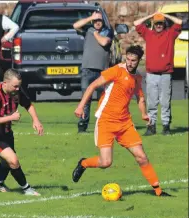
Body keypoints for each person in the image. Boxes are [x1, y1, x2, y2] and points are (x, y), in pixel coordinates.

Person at [72, 45, 171, 197]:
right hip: (106, 121)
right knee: (106, 162)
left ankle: (158, 190)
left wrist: (144, 114)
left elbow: (140, 97)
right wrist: (80, 107)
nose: (130, 63)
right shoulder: (116, 70)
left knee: (142, 156)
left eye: (134, 60)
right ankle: (84, 163)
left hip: (124, 124)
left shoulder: (137, 77)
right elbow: (92, 86)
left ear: (139, 61)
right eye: (128, 59)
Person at [0, 69, 44, 196]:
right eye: (15, 86)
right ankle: (26, 188)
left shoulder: (16, 91)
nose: (18, 89)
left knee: (7, 161)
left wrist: (36, 120)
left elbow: (28, 104)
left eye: (19, 86)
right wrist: (11, 117)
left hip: (6, 131)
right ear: (5, 83)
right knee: (13, 160)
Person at [134, 13, 182, 135]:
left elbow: (179, 22)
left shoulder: (170, 34)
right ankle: (151, 126)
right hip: (151, 74)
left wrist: (165, 15)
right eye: (157, 23)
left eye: (161, 23)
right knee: (152, 102)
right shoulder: (149, 34)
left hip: (166, 74)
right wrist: (152, 15)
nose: (159, 25)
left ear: (164, 23)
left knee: (165, 102)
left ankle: (166, 127)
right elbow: (136, 23)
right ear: (153, 24)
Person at [73, 10, 113, 133]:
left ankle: (103, 124)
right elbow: (75, 25)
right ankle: (82, 126)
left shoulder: (108, 31)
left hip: (102, 71)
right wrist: (90, 17)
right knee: (86, 99)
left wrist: (95, 33)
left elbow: (104, 42)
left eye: (99, 20)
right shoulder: (88, 29)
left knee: (103, 100)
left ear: (103, 21)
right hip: (87, 70)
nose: (97, 22)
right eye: (95, 21)